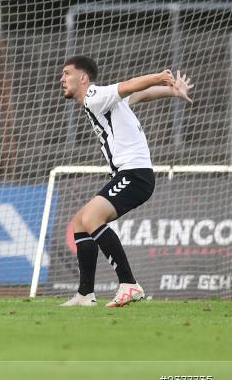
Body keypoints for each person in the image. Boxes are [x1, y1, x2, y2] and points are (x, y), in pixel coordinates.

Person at [59, 55, 193, 307]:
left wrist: (159, 76)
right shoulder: (106, 101)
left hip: (134, 175)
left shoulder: (95, 95)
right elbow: (140, 95)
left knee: (91, 219)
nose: (62, 79)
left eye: (67, 73)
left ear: (83, 78)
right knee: (79, 223)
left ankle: (129, 284)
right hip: (130, 174)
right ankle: (85, 294)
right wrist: (172, 91)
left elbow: (130, 85)